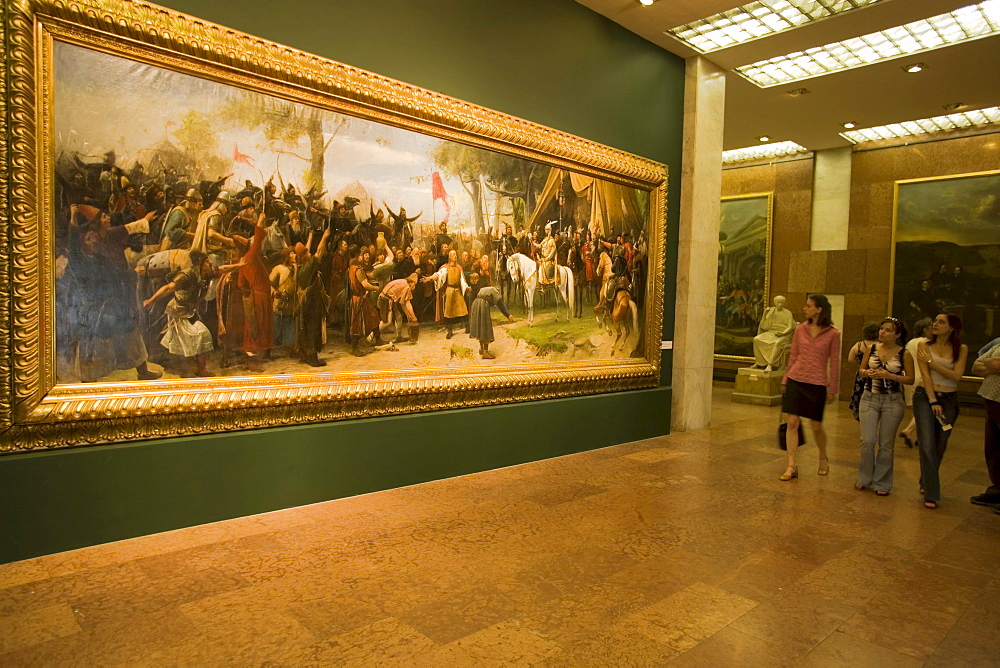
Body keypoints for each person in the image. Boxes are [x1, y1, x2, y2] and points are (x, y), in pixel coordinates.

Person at [779, 294, 840, 481]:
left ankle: (822, 456)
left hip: (817, 382)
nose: (805, 309)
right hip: (796, 379)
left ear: (819, 309)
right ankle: (791, 465)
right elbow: (793, 355)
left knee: (816, 427)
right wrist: (785, 378)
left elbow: (835, 362)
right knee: (792, 423)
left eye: (808, 306)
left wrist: (833, 389)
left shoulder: (833, 333)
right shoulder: (800, 329)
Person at [913, 314, 968, 509]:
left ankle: (925, 480)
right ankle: (932, 493)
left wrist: (932, 362)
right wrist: (932, 400)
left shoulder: (960, 349)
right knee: (927, 444)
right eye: (935, 321)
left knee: (940, 444)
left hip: (950, 399)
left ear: (952, 328)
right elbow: (926, 376)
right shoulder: (923, 345)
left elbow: (956, 376)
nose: (935, 325)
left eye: (941, 322)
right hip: (925, 397)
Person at [856, 318, 913, 496]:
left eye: (888, 330)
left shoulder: (904, 353)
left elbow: (910, 379)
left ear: (897, 334)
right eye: (882, 329)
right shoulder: (871, 348)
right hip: (869, 398)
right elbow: (861, 370)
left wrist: (891, 376)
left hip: (892, 401)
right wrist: (866, 373)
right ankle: (864, 477)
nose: (883, 332)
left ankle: (882, 482)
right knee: (867, 441)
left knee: (886, 444)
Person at [970, 340, 1000, 511]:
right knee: (993, 449)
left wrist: (991, 363)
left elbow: (994, 363)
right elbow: (976, 366)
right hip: (992, 399)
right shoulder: (998, 342)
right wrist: (992, 365)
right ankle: (997, 489)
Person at [899, 318, 933, 447]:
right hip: (923, 379)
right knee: (924, 410)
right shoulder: (926, 343)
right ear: (925, 330)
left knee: (918, 410)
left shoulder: (910, 343)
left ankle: (919, 437)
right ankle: (908, 431)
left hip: (911, 378)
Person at [846, 322, 881, 420]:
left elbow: (850, 358)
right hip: (877, 376)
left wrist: (860, 364)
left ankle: (861, 416)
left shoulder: (859, 345)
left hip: (862, 375)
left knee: (860, 398)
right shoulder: (880, 346)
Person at [751, 296, 796, 371]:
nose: (780, 304)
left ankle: (770, 364)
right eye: (778, 302)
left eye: (782, 303)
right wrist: (765, 314)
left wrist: (783, 333)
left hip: (783, 334)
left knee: (777, 343)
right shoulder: (771, 312)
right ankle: (759, 362)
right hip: (771, 332)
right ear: (775, 303)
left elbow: (790, 326)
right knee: (756, 339)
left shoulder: (787, 313)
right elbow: (764, 326)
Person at [469, 286, 514, 359]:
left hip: (475, 304)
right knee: (486, 327)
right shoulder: (494, 291)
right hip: (482, 305)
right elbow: (500, 304)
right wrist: (508, 315)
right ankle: (485, 352)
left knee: (480, 327)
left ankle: (481, 349)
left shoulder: (484, 289)